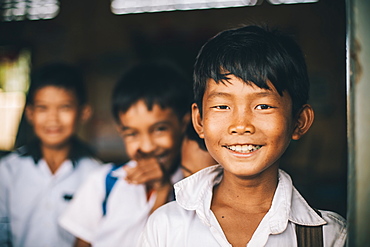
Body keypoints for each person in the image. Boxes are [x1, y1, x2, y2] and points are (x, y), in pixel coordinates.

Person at [138, 25, 347, 247]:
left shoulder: (329, 236)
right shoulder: (167, 226)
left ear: (299, 121)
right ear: (199, 121)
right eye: (221, 106)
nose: (240, 125)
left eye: (263, 106)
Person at [59, 60, 192, 247]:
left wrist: (163, 190)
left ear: (185, 123)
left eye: (159, 129)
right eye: (132, 134)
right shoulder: (104, 182)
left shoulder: (194, 191)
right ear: (120, 131)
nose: (146, 146)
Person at [0, 62, 102, 247]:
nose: (53, 119)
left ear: (84, 113)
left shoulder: (96, 175)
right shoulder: (7, 171)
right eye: (43, 108)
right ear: (29, 113)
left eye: (64, 107)